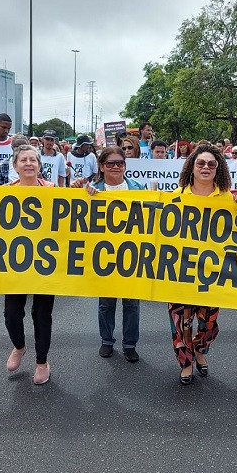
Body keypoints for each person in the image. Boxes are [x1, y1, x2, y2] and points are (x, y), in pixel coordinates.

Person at [169, 143, 237, 384]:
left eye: (211, 164)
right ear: (191, 167)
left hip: (213, 271)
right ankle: (186, 363)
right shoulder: (176, 196)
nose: (205, 167)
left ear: (218, 169)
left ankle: (200, 350)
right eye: (200, 163)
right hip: (180, 269)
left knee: (208, 320)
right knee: (181, 320)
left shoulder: (226, 198)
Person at [85, 146, 145, 362]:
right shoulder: (93, 190)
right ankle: (107, 341)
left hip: (132, 253)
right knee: (106, 303)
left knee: (132, 303)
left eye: (120, 163)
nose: (116, 167)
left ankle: (130, 343)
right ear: (101, 166)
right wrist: (85, 192)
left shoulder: (139, 189)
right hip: (104, 256)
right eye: (110, 163)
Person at [5, 144, 56, 384]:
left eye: (32, 160)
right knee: (12, 314)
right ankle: (19, 346)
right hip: (15, 263)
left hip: (47, 262)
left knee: (42, 314)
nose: (28, 163)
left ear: (39, 165)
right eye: (23, 160)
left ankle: (42, 362)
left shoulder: (54, 191)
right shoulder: (3, 193)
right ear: (15, 166)